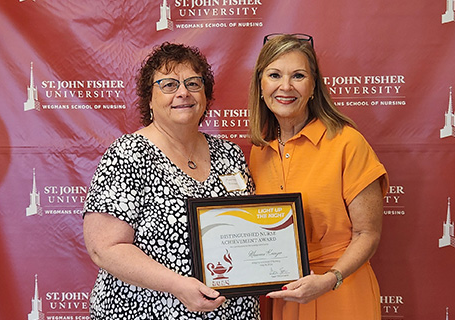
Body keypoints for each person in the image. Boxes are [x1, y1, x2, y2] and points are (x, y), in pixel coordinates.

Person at [83, 42, 260, 320]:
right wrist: (178, 285)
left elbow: (249, 229)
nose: (182, 93)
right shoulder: (128, 155)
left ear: (205, 95)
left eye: (193, 83)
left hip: (229, 312)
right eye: (168, 85)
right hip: (148, 312)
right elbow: (104, 248)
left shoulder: (230, 154)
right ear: (150, 99)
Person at [247, 33, 389, 320]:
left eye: (298, 76)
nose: (285, 87)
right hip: (285, 293)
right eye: (274, 75)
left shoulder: (347, 143)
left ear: (313, 86)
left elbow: (367, 233)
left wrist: (330, 279)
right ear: (261, 85)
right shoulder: (258, 151)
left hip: (340, 290)